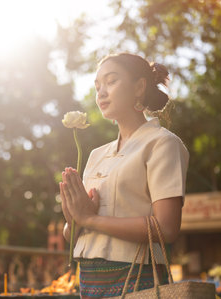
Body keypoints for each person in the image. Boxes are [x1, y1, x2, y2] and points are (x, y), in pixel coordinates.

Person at [59, 53, 189, 298]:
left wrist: (89, 220)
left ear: (139, 87)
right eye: (97, 86)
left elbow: (167, 228)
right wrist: (72, 219)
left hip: (138, 279)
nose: (101, 92)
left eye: (111, 81)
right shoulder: (97, 155)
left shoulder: (162, 144)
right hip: (88, 281)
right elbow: (72, 235)